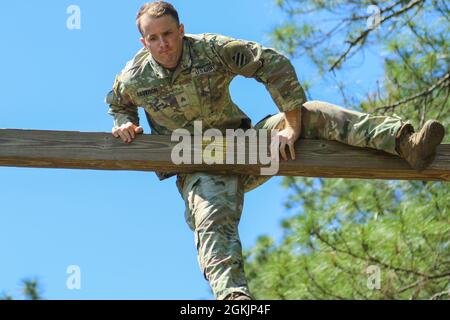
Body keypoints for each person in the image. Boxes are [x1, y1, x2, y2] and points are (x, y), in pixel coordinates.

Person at [105, 1, 445, 300]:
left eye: (168, 34)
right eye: (153, 38)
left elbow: (270, 62)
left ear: (181, 30)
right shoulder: (134, 76)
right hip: (196, 163)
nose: (163, 44)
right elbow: (118, 103)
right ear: (143, 41)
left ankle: (404, 142)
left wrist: (292, 125)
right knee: (211, 215)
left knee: (316, 112)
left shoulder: (210, 50)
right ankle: (233, 297)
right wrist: (125, 123)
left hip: (244, 147)